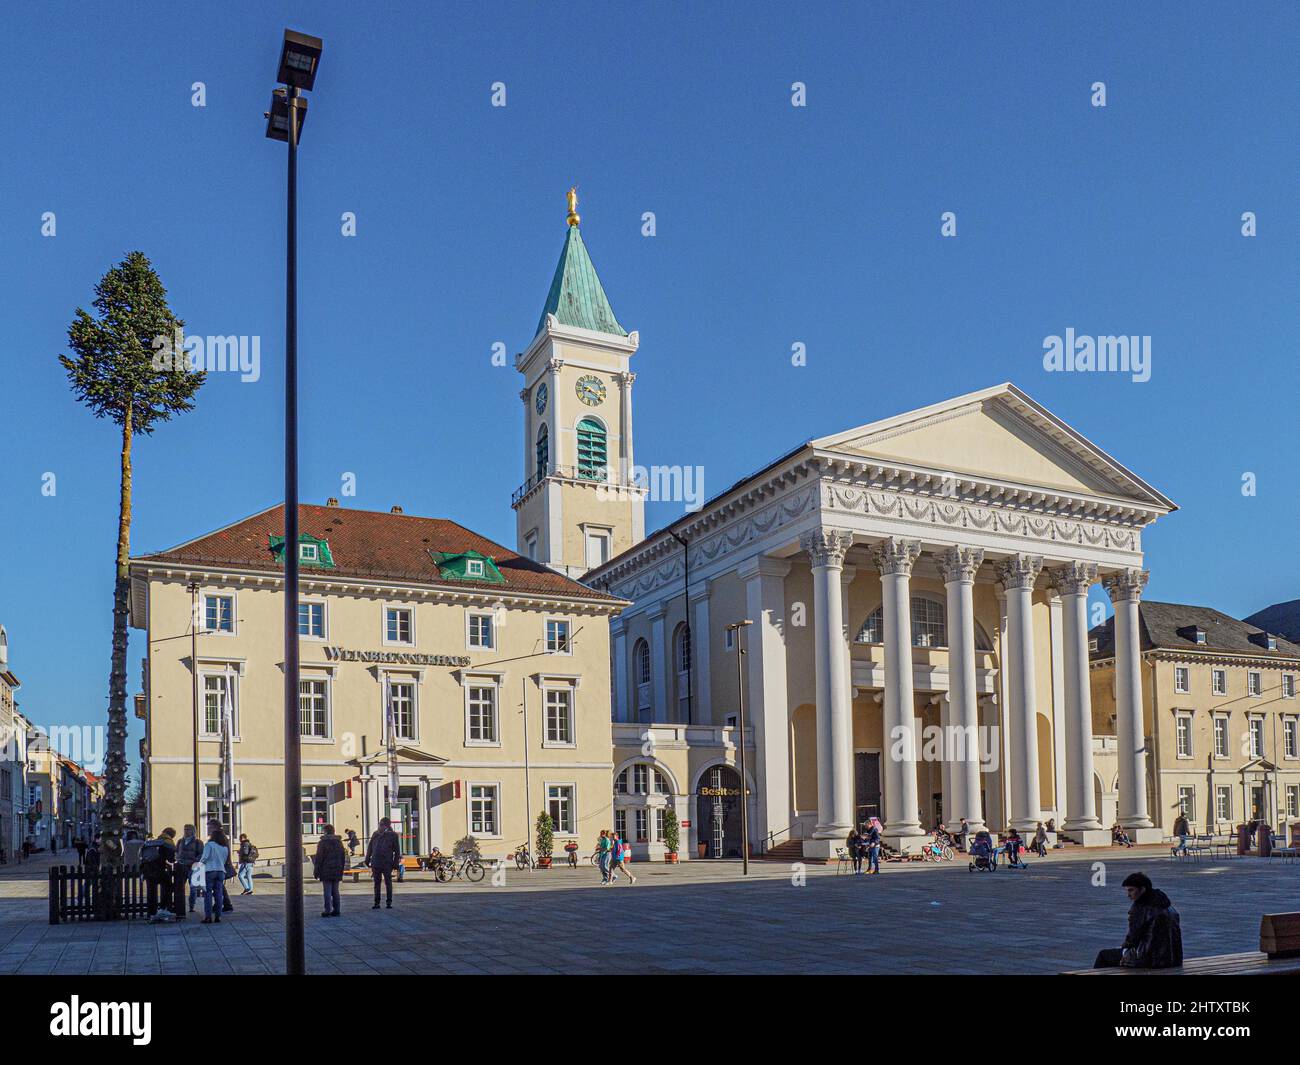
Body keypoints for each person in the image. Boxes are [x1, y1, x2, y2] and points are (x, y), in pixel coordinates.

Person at [1093, 872, 1183, 969]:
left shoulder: (1141, 908)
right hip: (1173, 959)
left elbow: (1132, 938)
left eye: (1131, 890)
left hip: (1150, 959)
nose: (1128, 895)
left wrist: (1124, 947)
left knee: (1103, 955)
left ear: (1143, 889)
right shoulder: (1168, 907)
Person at [139, 827, 177, 918]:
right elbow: (171, 859)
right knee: (168, 886)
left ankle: (151, 913)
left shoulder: (153, 842)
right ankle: (163, 909)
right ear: (172, 835)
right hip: (158, 869)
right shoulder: (168, 842)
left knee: (151, 891)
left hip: (147, 869)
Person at [365, 817, 401, 909]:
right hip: (376, 862)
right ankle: (377, 902)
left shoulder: (393, 835)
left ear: (386, 826)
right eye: (379, 824)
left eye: (381, 824)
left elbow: (397, 851)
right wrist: (367, 858)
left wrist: (395, 863)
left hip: (387, 862)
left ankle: (389, 902)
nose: (379, 826)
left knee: (388, 882)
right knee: (377, 883)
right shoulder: (375, 834)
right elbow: (370, 847)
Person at [312, 823, 347, 918]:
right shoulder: (339, 842)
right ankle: (337, 910)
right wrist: (341, 868)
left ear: (325, 832)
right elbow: (343, 857)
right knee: (335, 890)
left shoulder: (322, 843)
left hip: (326, 869)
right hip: (337, 868)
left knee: (327, 890)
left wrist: (316, 871)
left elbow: (319, 858)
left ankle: (327, 910)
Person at [199, 826, 230, 924]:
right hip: (221, 871)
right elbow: (225, 860)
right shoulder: (225, 847)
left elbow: (205, 858)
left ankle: (208, 917)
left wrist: (199, 866)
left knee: (207, 894)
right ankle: (218, 916)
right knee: (218, 894)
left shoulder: (209, 845)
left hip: (210, 870)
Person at [173, 824, 204, 918]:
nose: (186, 831)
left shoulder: (198, 842)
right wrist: (177, 859)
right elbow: (176, 852)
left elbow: (201, 854)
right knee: (179, 887)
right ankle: (179, 906)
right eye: (185, 829)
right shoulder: (180, 841)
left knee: (193, 887)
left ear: (193, 831)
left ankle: (191, 906)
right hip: (181, 866)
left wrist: (194, 861)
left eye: (188, 829)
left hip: (192, 866)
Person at [206, 819, 235, 911]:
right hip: (220, 864)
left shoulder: (217, 837)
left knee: (217, 885)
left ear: (215, 827)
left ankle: (223, 904)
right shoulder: (221, 836)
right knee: (219, 885)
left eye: (210, 827)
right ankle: (226, 904)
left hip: (217, 865)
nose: (208, 829)